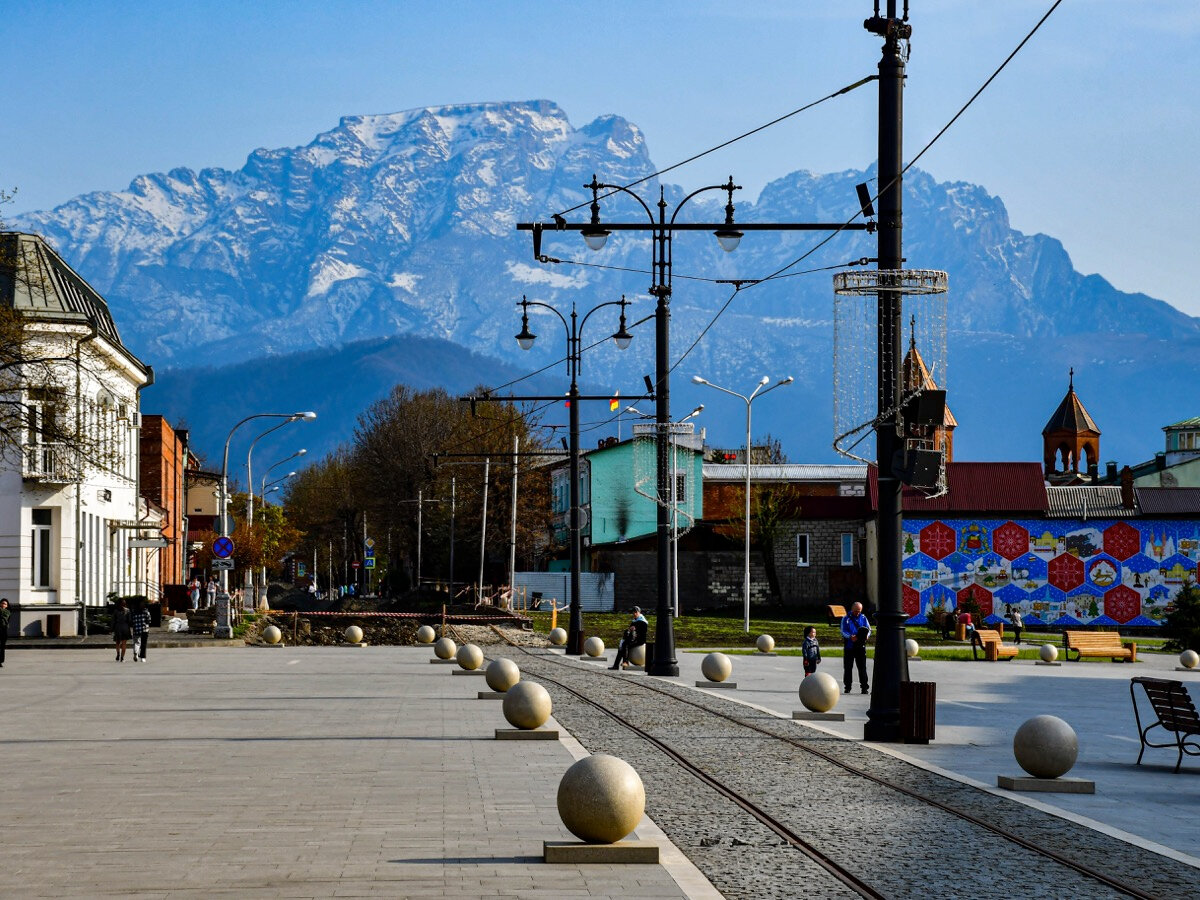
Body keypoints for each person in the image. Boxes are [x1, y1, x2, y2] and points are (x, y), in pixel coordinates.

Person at [840, 601, 871, 694]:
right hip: (849, 646)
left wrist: (867, 636)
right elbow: (843, 631)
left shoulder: (863, 617)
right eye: (856, 611)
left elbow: (869, 629)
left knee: (862, 667)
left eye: (859, 611)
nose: (857, 612)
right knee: (848, 667)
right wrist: (850, 636)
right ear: (852, 609)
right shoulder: (845, 618)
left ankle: (864, 687)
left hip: (860, 646)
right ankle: (847, 687)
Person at [112, 598, 132, 662]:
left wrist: (112, 628)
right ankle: (122, 657)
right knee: (124, 643)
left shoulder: (116, 611)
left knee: (117, 642)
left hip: (118, 627)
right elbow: (129, 620)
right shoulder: (127, 610)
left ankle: (118, 653)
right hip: (125, 627)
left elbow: (113, 620)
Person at [0, 597, 10, 668]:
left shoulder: (8, 612)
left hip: (4, 630)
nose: (3, 605)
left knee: (2, 647)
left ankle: (0, 661)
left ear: (7, 606)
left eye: (5, 604)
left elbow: (6, 618)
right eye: (2, 603)